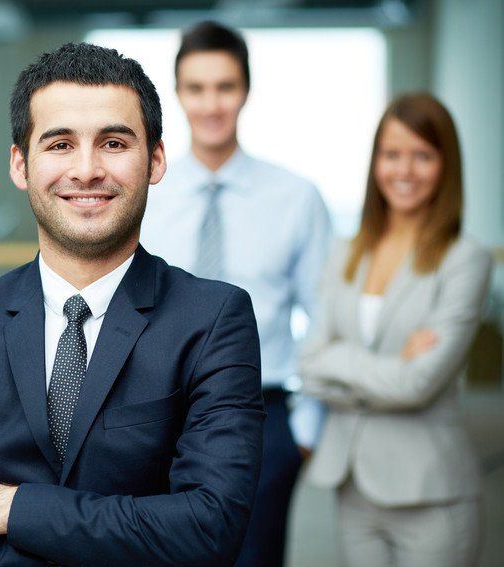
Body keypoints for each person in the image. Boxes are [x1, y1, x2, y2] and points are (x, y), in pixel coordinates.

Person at [0, 42, 265, 565]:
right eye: (59, 144)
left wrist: (12, 508)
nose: (86, 170)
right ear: (20, 163)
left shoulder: (214, 321)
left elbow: (208, 529)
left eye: (114, 143)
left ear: (157, 159)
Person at [140, 20, 333, 566]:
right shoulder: (147, 194)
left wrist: (307, 430)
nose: (211, 103)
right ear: (177, 94)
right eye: (196, 88)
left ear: (245, 90)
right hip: (160, 413)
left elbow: (322, 314)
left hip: (266, 419)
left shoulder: (296, 197)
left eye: (225, 86)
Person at [299, 93, 491, 567]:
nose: (404, 170)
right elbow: (308, 366)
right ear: (375, 163)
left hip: (430, 494)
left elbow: (419, 385)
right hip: (353, 486)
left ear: (446, 165)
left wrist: (340, 364)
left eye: (422, 155)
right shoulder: (347, 251)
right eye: (392, 154)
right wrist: (391, 367)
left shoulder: (465, 259)